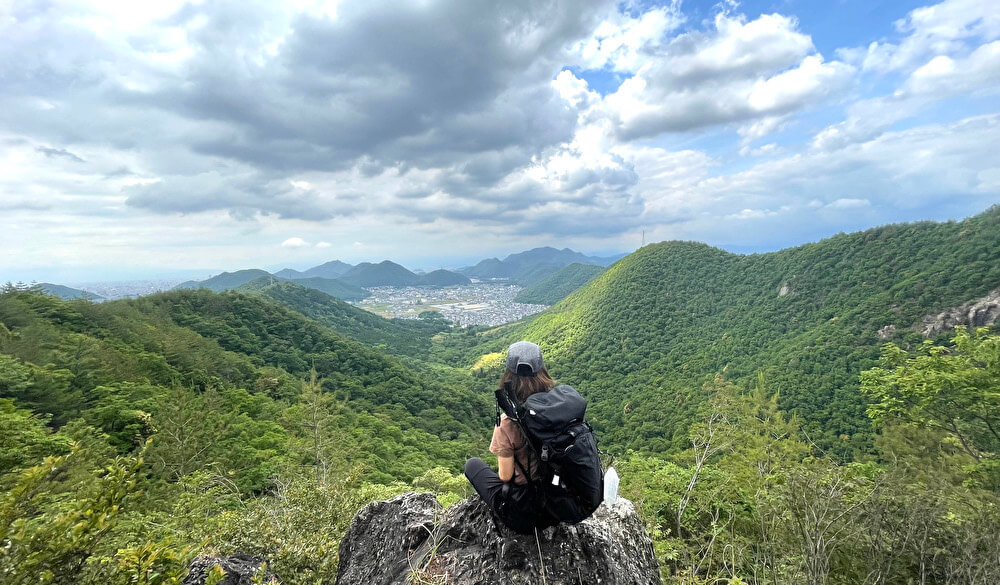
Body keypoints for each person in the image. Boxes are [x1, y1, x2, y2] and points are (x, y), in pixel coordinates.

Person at [464, 340, 557, 533]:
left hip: (525, 516)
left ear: (509, 377)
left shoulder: (508, 424)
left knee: (472, 465)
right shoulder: (558, 410)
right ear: (543, 372)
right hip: (558, 505)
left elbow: (505, 476)